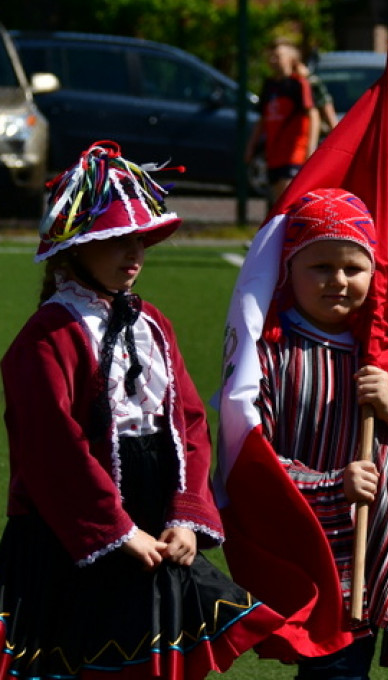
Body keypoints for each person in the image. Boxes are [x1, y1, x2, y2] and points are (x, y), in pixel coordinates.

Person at [0, 141, 283, 680]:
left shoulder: (151, 322)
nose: (133, 255)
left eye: (140, 241)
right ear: (75, 248)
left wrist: (184, 514)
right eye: (115, 241)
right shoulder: (48, 335)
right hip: (76, 531)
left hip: (154, 518)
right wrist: (115, 528)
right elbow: (50, 447)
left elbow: (189, 424)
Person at [243, 187, 388, 679]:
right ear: (288, 268)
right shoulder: (270, 355)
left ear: (374, 274)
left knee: (346, 668)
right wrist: (333, 485)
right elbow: (251, 458)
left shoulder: (381, 353)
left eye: (354, 268)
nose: (338, 281)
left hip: (370, 557)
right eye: (320, 267)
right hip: (307, 549)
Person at [245, 39, 321, 204]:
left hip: (294, 153)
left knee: (288, 199)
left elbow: (313, 115)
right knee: (276, 200)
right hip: (274, 153)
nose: (273, 60)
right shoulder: (269, 85)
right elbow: (263, 119)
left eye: (278, 56)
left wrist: (311, 148)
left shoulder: (298, 84)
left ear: (290, 59)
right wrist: (251, 146)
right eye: (271, 56)